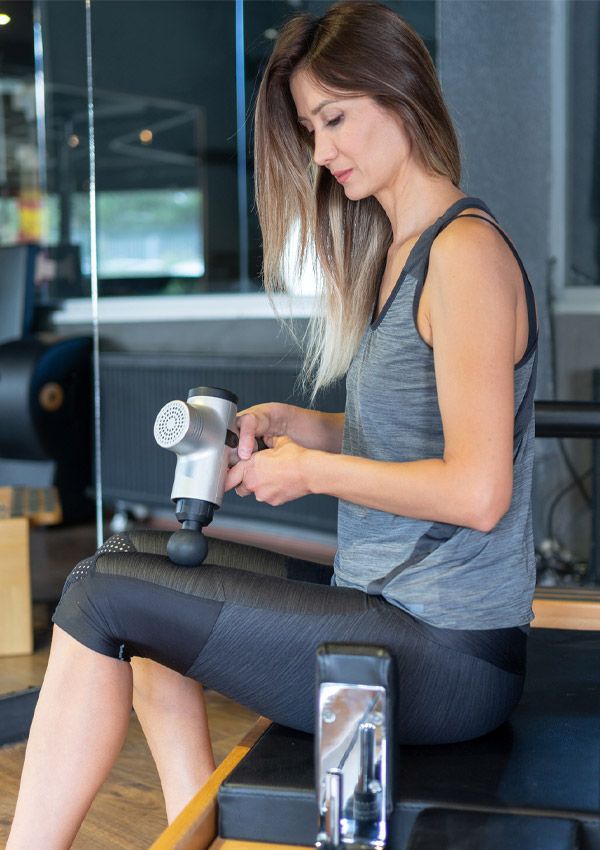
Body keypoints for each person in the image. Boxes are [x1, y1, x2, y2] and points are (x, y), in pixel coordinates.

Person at [6, 2, 538, 847]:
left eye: (335, 119)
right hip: (387, 613)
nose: (323, 153)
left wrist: (310, 472)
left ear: (401, 93)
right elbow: (416, 436)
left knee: (104, 593)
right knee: (124, 565)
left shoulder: (464, 256)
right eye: (309, 126)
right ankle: (197, 828)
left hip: (449, 658)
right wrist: (311, 428)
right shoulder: (405, 250)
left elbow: (478, 491)